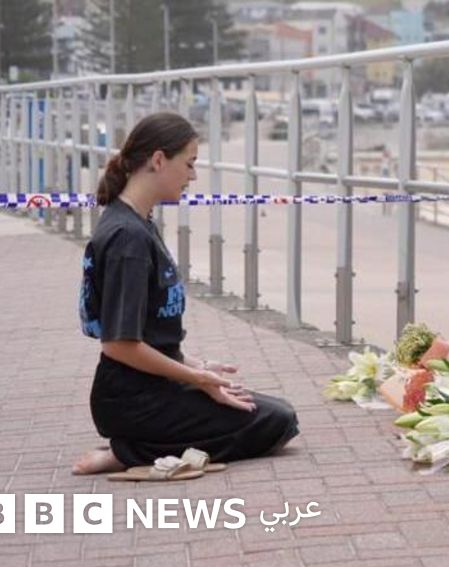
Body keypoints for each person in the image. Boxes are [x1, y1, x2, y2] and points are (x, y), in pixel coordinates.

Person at [72, 112, 299, 475]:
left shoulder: (138, 223)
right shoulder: (127, 239)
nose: (192, 177)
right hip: (133, 400)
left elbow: (150, 335)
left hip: (155, 388)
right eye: (189, 164)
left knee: (273, 412)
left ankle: (142, 443)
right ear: (159, 160)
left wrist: (197, 367)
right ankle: (129, 451)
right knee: (275, 421)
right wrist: (197, 379)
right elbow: (118, 345)